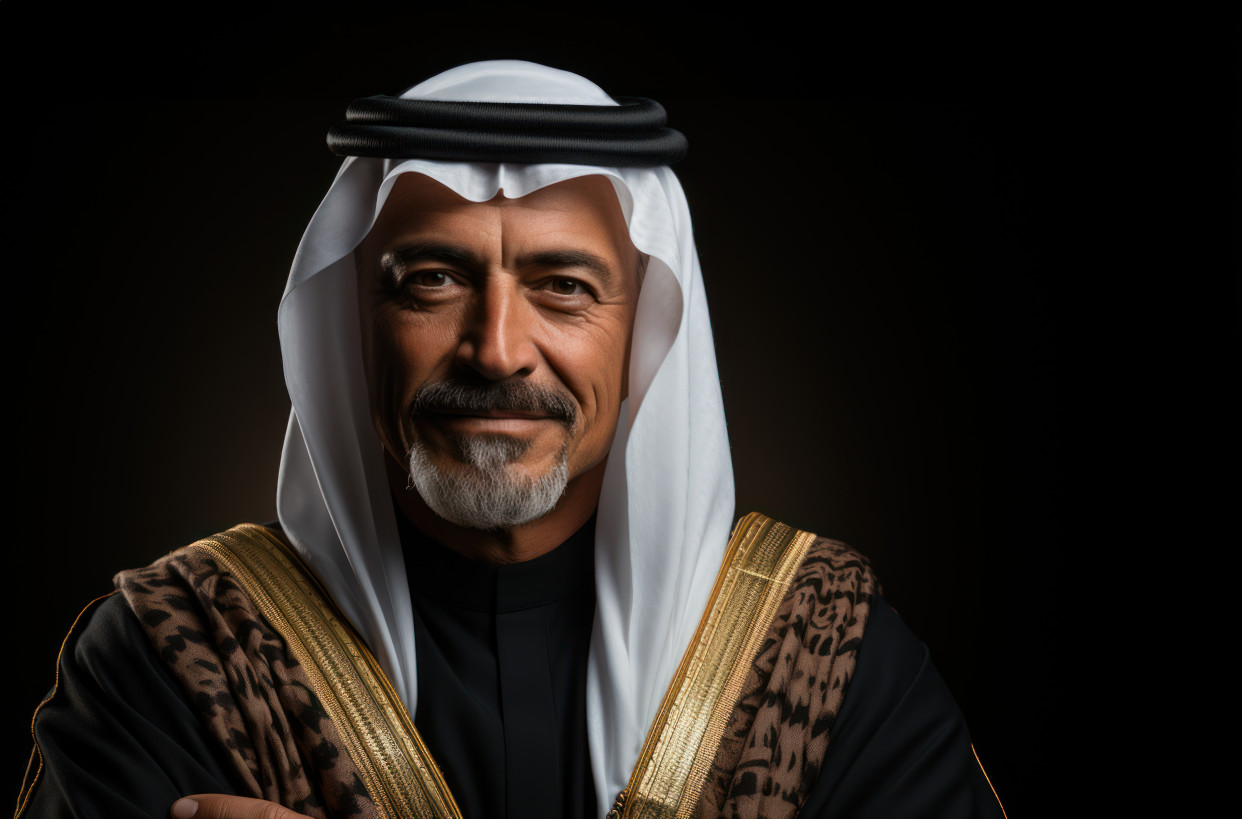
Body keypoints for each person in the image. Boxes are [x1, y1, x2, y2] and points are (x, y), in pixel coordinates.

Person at [17, 61, 1005, 819]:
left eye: (563, 289)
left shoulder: (826, 660)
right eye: (431, 281)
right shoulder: (172, 659)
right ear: (351, 327)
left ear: (645, 329)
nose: (495, 351)